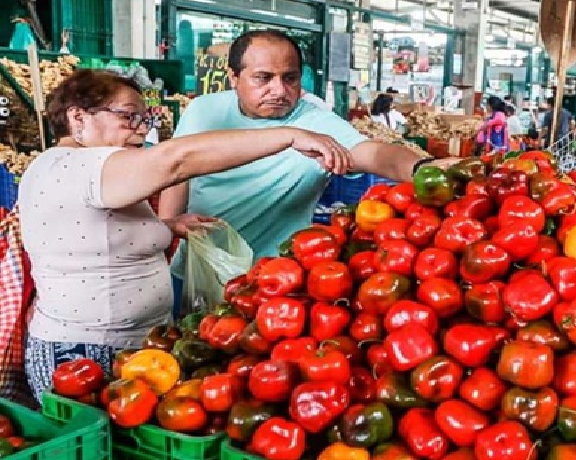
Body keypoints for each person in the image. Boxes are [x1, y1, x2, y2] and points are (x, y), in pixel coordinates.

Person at [18, 69, 354, 400]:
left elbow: (88, 236)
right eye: (128, 117)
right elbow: (176, 161)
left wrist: (168, 227)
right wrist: (288, 137)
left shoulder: (80, 169)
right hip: (82, 354)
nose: (140, 131)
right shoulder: (78, 165)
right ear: (78, 117)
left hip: (127, 347)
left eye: (144, 119)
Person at [159, 30, 446, 262]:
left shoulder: (315, 122)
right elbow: (178, 172)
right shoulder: (203, 110)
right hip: (198, 265)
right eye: (263, 78)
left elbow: (374, 154)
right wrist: (166, 229)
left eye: (290, 78)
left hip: (274, 277)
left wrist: (423, 168)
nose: (279, 90)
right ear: (234, 77)